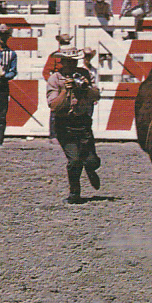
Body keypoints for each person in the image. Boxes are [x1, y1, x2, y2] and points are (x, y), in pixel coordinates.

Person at [46, 47, 102, 204]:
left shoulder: (84, 75)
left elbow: (96, 95)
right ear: (62, 62)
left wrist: (86, 87)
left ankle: (90, 169)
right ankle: (74, 192)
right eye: (68, 62)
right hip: (65, 123)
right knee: (74, 160)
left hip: (83, 121)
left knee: (92, 161)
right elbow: (54, 106)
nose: (71, 65)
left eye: (74, 62)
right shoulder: (55, 79)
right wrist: (65, 90)